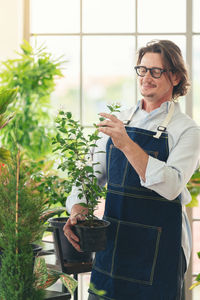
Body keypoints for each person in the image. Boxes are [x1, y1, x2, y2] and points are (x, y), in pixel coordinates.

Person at [63, 40, 200, 300]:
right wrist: (78, 206)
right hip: (114, 242)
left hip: (160, 249)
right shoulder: (120, 120)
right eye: (142, 69)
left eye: (156, 71)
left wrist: (126, 144)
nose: (146, 77)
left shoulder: (187, 130)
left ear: (176, 77)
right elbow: (90, 174)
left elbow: (171, 186)